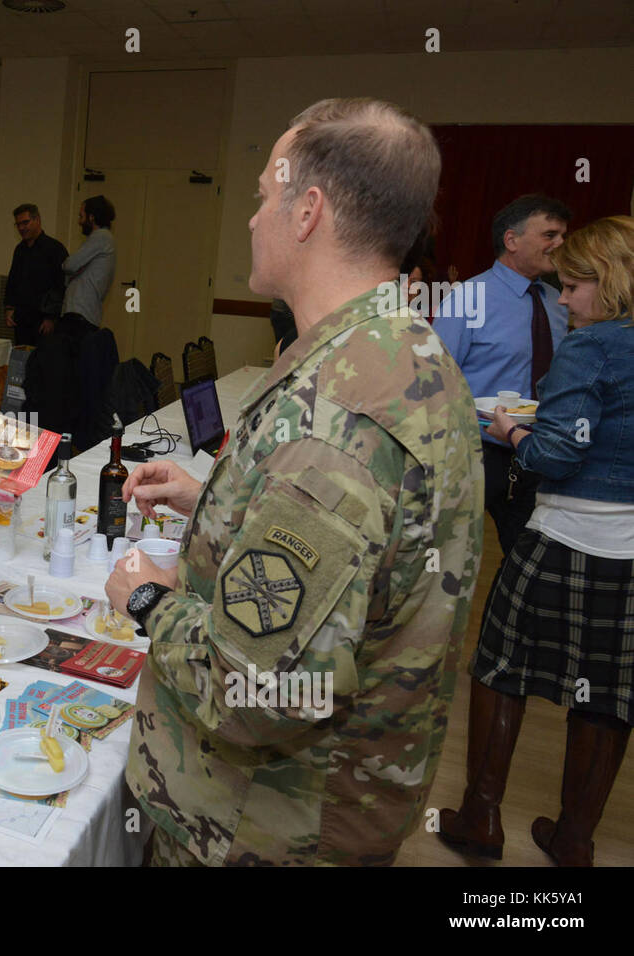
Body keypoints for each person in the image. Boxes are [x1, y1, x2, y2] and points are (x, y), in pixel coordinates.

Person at [105, 97, 484, 866]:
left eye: (260, 195)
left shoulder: (336, 415)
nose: (252, 218)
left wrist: (145, 599)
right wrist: (213, 498)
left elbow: (255, 694)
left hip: (260, 826)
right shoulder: (399, 351)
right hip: (326, 807)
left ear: (306, 210)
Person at [438, 216, 634, 867]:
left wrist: (513, 432)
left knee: (499, 665)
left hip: (563, 537)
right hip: (628, 550)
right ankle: (576, 840)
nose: (565, 297)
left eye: (575, 284)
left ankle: (480, 817)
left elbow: (556, 452)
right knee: (606, 695)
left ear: (606, 285)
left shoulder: (592, 343)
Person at [433, 195, 571, 562]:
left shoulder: (558, 300)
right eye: (550, 235)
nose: (559, 244)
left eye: (562, 235)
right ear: (512, 240)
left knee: (524, 560)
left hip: (534, 452)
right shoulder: (468, 297)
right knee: (450, 559)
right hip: (475, 455)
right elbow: (435, 380)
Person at [3, 203, 67, 346]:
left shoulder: (55, 249)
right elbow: (13, 280)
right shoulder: (19, 250)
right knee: (21, 361)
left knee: (43, 363)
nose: (21, 228)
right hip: (21, 318)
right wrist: (9, 308)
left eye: (25, 223)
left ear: (37, 220)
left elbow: (60, 285)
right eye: (18, 224)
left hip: (43, 321)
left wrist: (51, 317)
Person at [60, 195, 117, 339]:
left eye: (81, 216)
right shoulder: (104, 239)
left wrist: (68, 268)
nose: (79, 222)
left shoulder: (101, 237)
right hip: (86, 312)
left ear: (91, 217)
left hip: (80, 313)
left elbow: (70, 265)